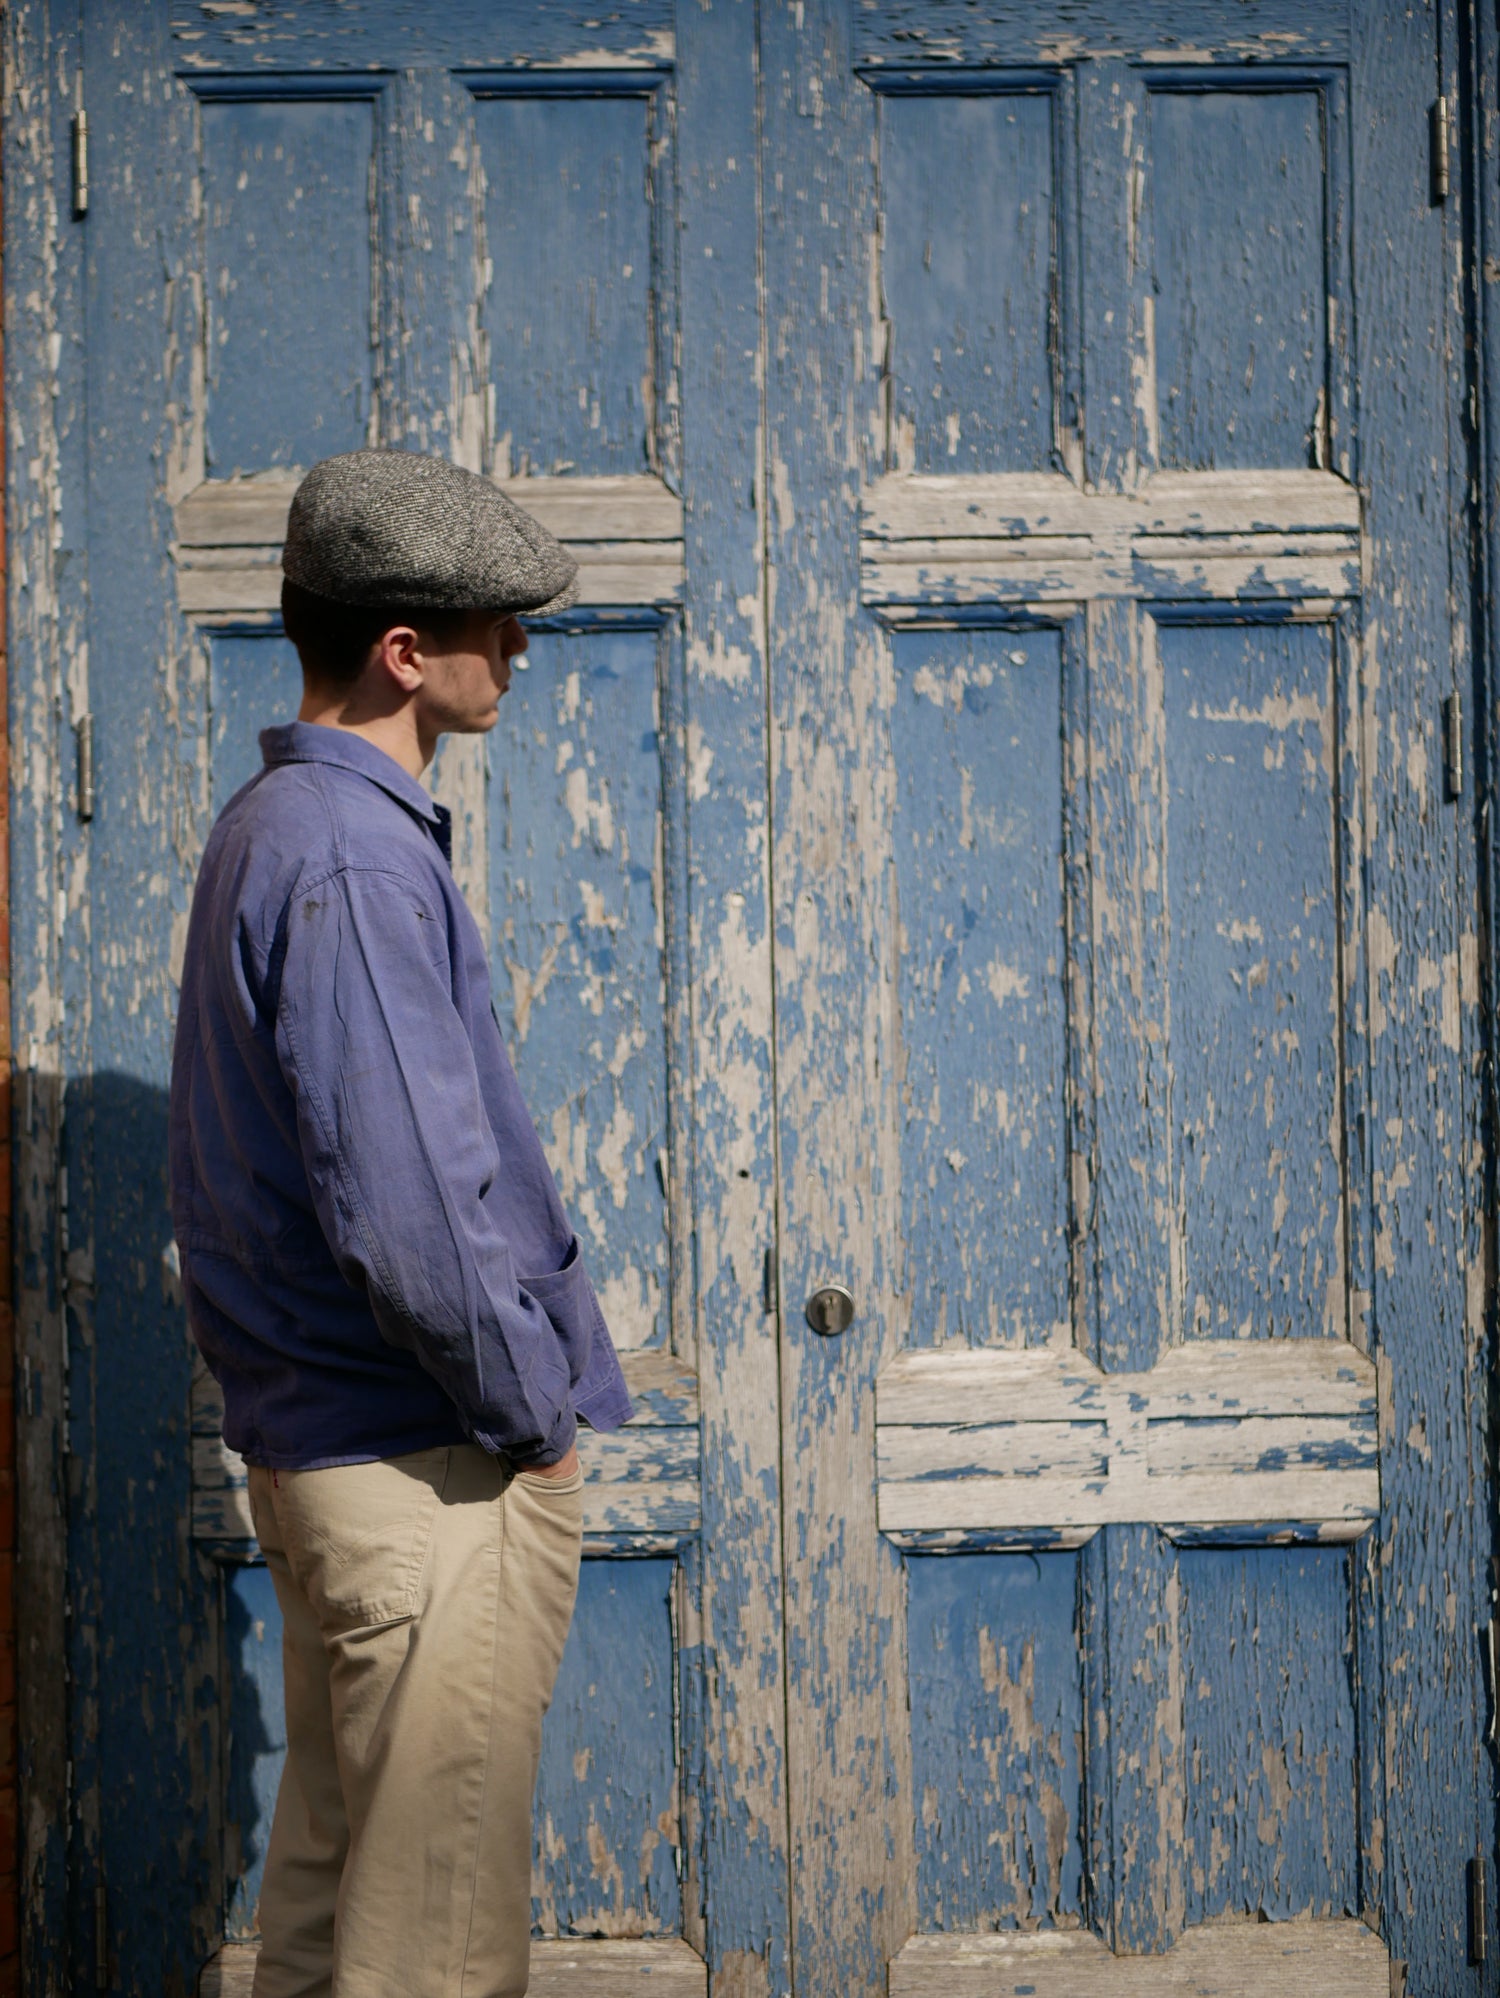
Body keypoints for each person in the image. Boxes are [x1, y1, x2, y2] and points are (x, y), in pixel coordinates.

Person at [169, 448, 633, 1998]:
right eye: (498, 623)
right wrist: (536, 1422)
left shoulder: (275, 826)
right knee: (432, 1944)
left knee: (328, 1912)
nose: (519, 650)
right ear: (404, 652)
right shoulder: (354, 855)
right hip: (421, 1470)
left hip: (331, 1453)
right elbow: (414, 1213)